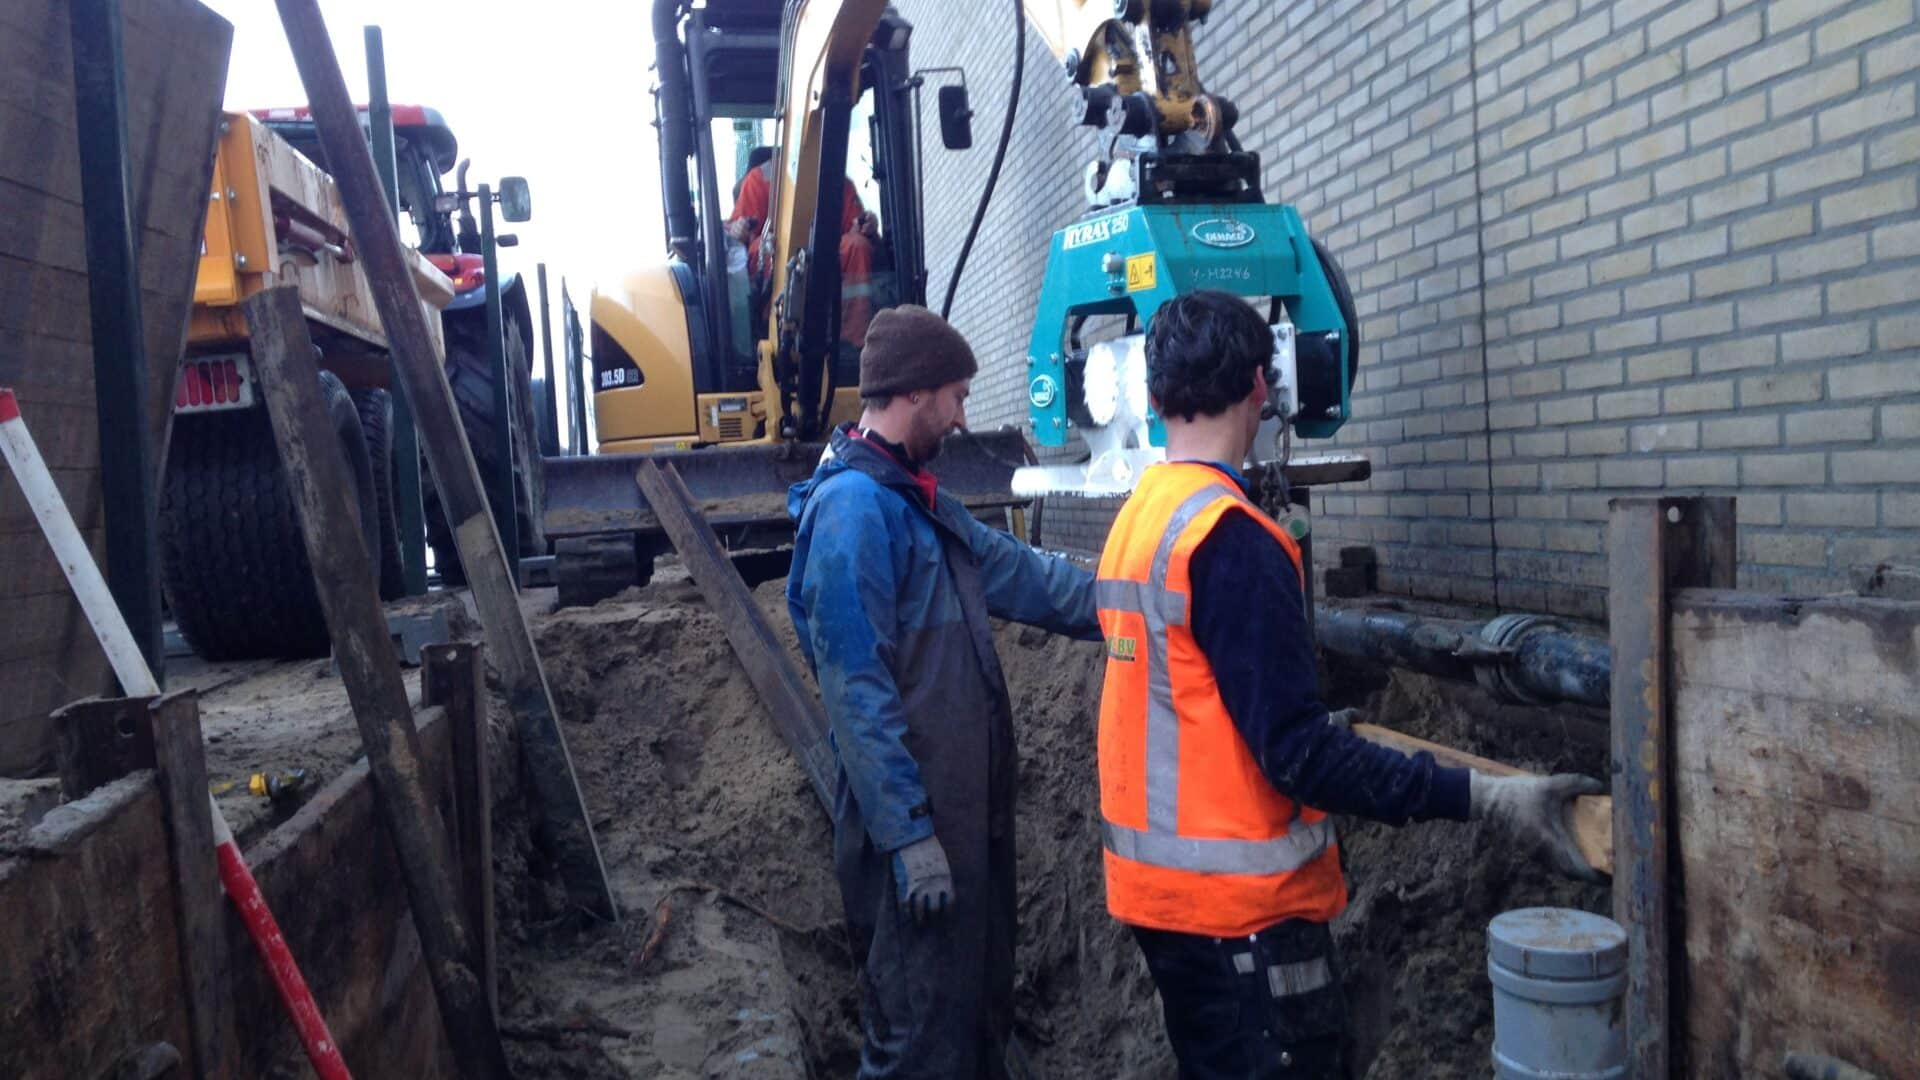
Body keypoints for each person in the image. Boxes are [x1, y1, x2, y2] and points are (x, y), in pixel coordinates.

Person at [1093, 290, 1604, 1079]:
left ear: (1154, 397)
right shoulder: (1230, 539)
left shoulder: (1139, 520)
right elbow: (1297, 755)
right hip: (1244, 923)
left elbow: (1186, 698)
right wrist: (1486, 798)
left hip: (1162, 907)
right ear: (1262, 387)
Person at [786, 305, 1099, 1079]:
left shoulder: (916, 503)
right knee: (918, 1044)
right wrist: (908, 838)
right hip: (916, 840)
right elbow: (858, 691)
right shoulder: (853, 513)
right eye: (957, 394)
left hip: (963, 826)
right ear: (917, 392)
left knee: (971, 1023)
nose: (962, 416)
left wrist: (1152, 595)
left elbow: (1029, 578)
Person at [727, 152, 878, 346]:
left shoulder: (836, 180)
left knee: (857, 245)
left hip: (828, 261)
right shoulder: (760, 179)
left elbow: (857, 227)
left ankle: (856, 343)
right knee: (762, 249)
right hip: (779, 260)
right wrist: (738, 231)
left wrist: (867, 227)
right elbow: (736, 235)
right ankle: (771, 333)